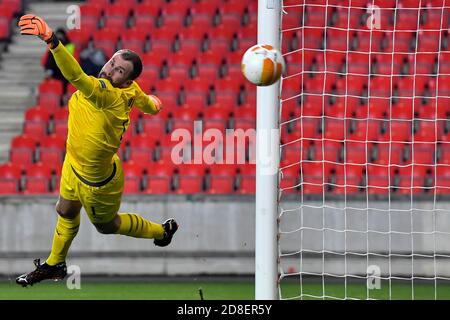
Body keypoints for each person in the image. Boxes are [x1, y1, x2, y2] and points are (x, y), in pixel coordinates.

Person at [16, 14, 178, 287]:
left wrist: (53, 42)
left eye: (119, 71)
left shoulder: (106, 93)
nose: (110, 69)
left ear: (125, 81)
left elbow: (75, 76)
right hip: (73, 163)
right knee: (65, 210)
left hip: (98, 180)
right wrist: (153, 102)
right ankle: (55, 264)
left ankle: (161, 232)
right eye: (112, 62)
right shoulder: (131, 89)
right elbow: (147, 103)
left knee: (107, 226)